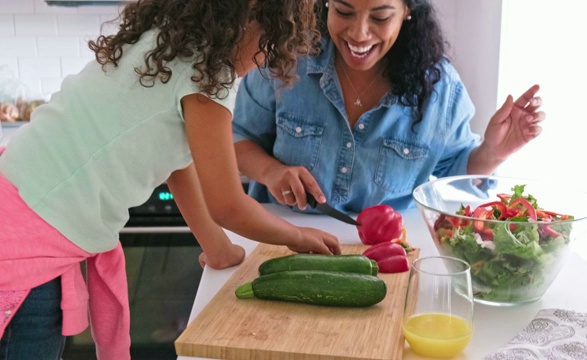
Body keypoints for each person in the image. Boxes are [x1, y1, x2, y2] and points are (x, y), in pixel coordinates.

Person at [0, 0, 341, 359]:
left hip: (15, 206)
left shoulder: (164, 41)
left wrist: (217, 248)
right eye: (268, 41)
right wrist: (297, 236)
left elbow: (176, 161)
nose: (262, 59)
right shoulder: (211, 76)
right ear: (250, 17)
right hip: (28, 248)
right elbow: (227, 205)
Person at [232, 0, 545, 213]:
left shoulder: (440, 89)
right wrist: (271, 171)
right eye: (343, 11)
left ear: (407, 10)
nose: (359, 33)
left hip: (386, 255)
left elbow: (456, 174)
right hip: (277, 239)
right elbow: (235, 140)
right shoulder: (286, 60)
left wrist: (493, 152)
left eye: (380, 17)